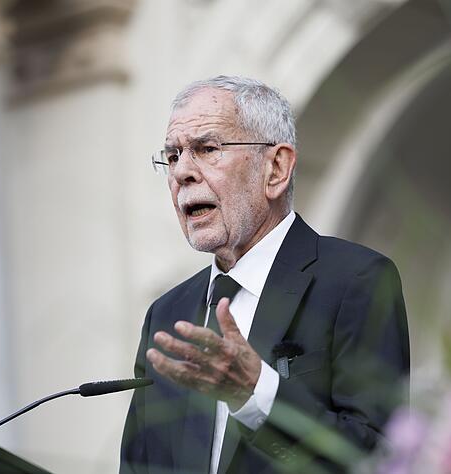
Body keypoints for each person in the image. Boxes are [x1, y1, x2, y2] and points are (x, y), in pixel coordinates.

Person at [120, 76, 409, 474]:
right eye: (172, 156)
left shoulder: (356, 280)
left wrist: (255, 393)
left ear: (276, 168)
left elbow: (381, 457)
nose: (182, 172)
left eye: (207, 149)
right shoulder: (166, 316)